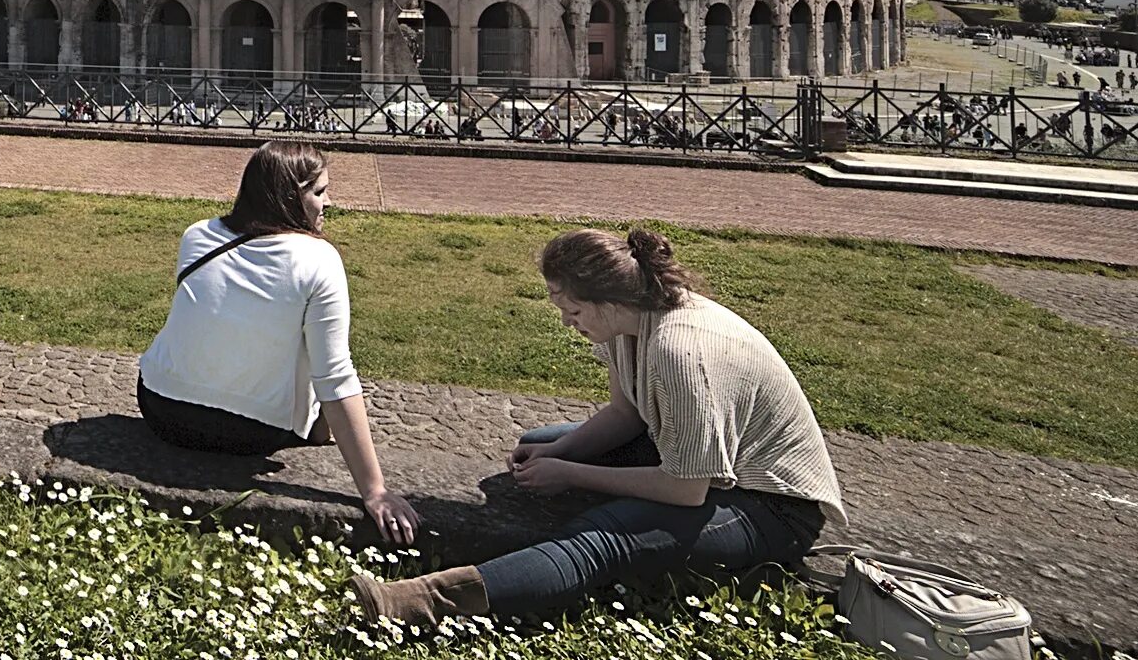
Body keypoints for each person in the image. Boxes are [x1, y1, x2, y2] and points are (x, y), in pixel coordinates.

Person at [353, 227, 842, 626]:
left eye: (573, 310)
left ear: (606, 300)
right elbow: (625, 414)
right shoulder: (631, 320)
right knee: (540, 445)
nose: (568, 322)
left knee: (602, 537)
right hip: (705, 465)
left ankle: (421, 601)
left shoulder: (682, 351)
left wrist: (573, 473)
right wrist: (561, 452)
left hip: (771, 507)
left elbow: (687, 489)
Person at [136, 138, 420, 546]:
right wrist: (375, 492)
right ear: (291, 196)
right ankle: (315, 427)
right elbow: (335, 378)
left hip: (161, 407)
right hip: (250, 432)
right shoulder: (318, 260)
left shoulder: (197, 234)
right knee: (318, 351)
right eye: (319, 192)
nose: (327, 203)